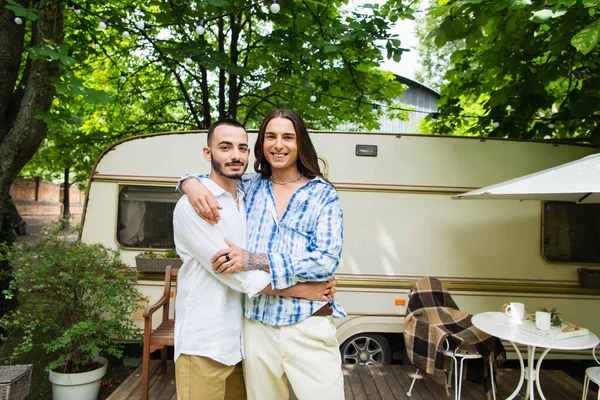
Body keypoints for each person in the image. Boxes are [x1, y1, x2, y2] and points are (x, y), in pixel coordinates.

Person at [178, 109, 345, 400]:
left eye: (288, 137)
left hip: (306, 322)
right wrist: (188, 183)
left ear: (300, 143)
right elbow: (213, 177)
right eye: (271, 136)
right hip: (256, 327)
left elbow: (326, 261)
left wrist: (253, 258)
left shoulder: (322, 194)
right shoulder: (249, 187)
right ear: (262, 144)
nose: (278, 144)